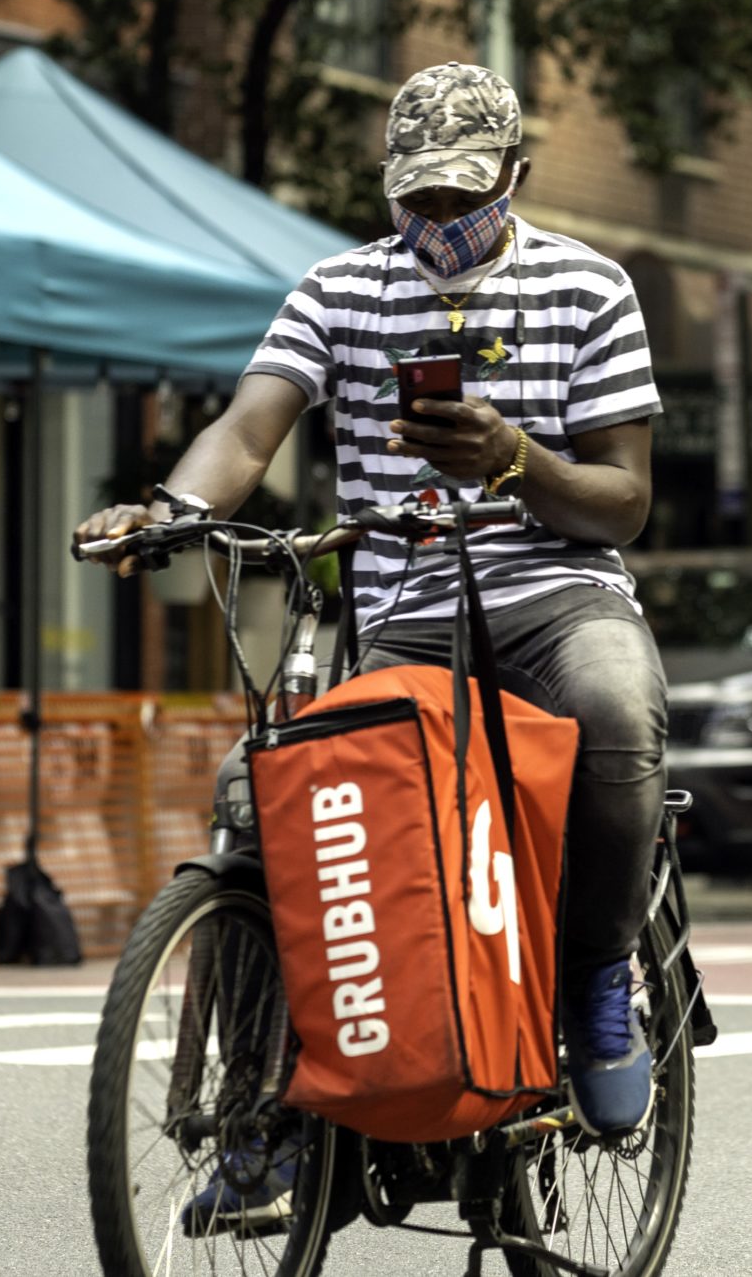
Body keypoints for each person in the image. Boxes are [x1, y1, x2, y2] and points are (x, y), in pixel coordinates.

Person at [75, 61, 668, 1142]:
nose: (438, 218)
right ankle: (264, 1116)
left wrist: (513, 458)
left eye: (463, 196)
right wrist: (165, 509)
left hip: (558, 595)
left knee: (617, 715)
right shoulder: (336, 290)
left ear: (515, 176)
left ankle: (594, 984)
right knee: (267, 801)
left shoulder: (593, 288)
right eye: (418, 197)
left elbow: (622, 502)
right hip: (406, 612)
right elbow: (248, 432)